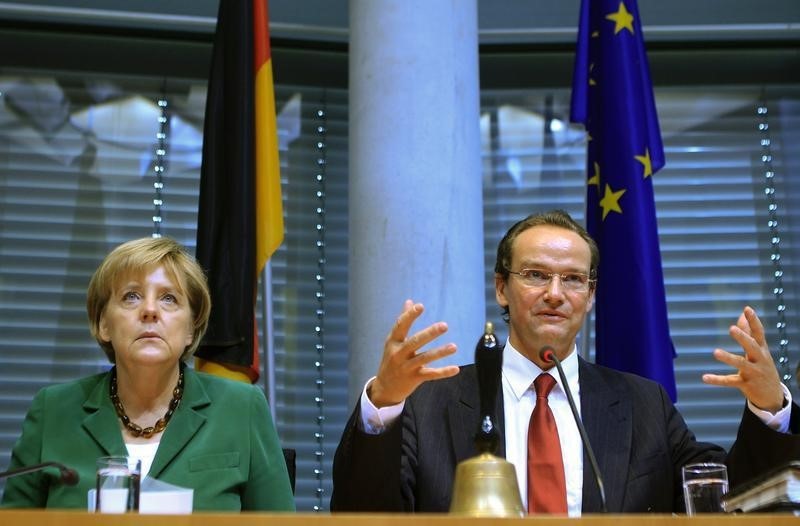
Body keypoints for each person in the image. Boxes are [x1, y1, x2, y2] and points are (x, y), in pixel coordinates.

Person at [330, 209, 800, 514]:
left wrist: (768, 409)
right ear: (501, 288)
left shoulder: (642, 404)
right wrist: (384, 404)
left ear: (590, 296)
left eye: (573, 279)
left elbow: (727, 504)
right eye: (536, 275)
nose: (555, 294)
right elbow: (360, 512)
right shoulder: (428, 402)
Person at [1, 237, 295, 511]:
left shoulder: (241, 409)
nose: (150, 310)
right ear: (104, 324)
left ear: (191, 328)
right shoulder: (53, 410)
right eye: (131, 296)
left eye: (169, 298)